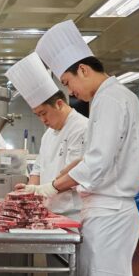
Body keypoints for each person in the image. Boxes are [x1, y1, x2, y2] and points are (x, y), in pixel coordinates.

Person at [27, 21, 139, 276]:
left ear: (83, 69)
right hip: (102, 212)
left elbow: (96, 163)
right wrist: (57, 179)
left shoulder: (110, 99)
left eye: (68, 82)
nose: (71, 91)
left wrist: (51, 188)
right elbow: (93, 157)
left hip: (111, 212)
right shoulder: (111, 99)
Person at [7, 53, 87, 217]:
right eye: (38, 115)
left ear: (59, 104)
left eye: (44, 113)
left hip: (73, 214)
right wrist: (28, 194)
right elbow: (37, 171)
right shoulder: (48, 135)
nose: (42, 120)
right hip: (48, 213)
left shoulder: (82, 127)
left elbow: (73, 176)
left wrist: (40, 190)